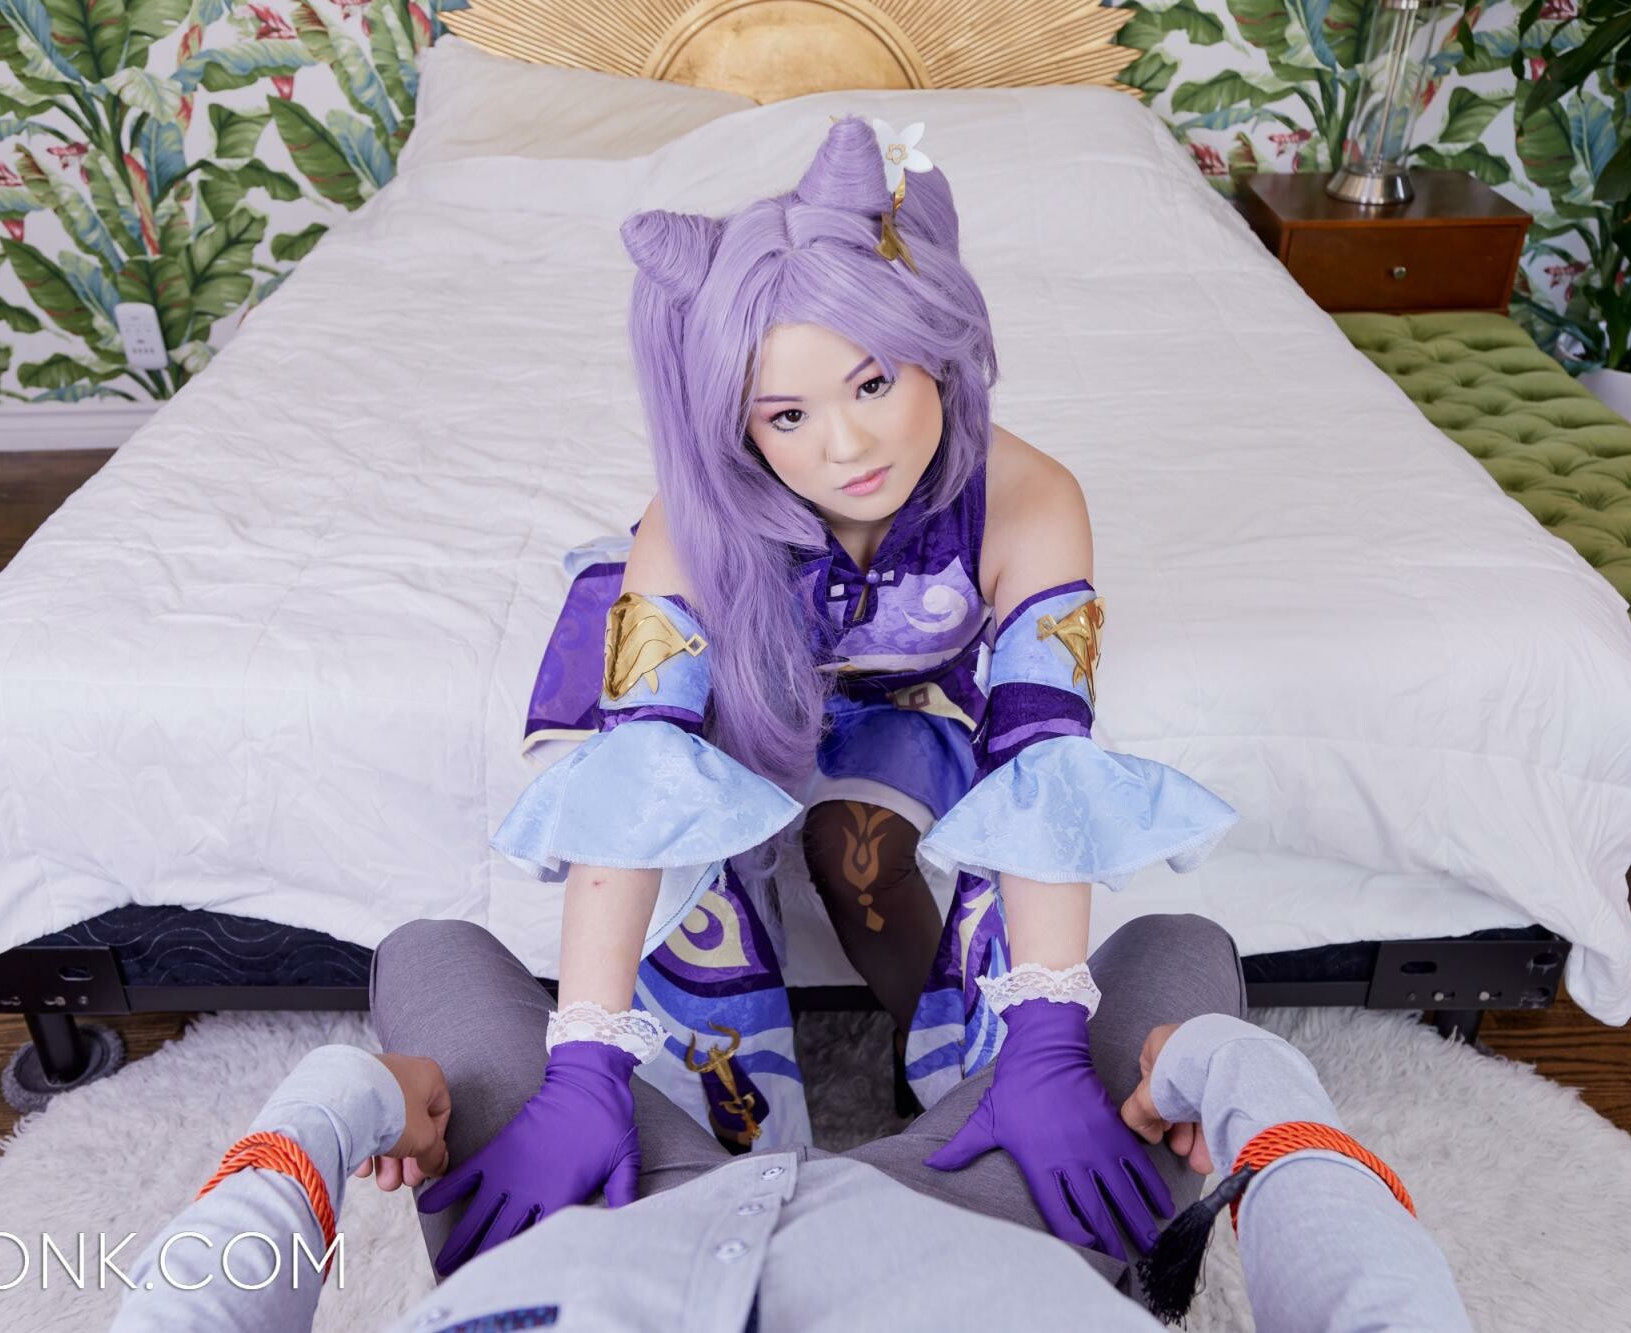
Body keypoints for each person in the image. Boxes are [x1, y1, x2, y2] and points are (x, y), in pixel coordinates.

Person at [485, 110, 1240, 1259]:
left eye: (873, 382)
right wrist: (582, 1059)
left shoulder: (1029, 500)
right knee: (699, 884)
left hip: (899, 685)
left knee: (860, 857)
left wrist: (1046, 1038)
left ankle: (943, 1067)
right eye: (787, 415)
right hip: (737, 682)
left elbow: (1045, 766)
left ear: (933, 344)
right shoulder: (687, 526)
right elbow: (636, 796)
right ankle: (725, 1141)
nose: (845, 447)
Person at [110, 914, 1471, 1332]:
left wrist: (345, 1102)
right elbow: (1381, 1307)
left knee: (429, 954)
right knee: (1178, 957)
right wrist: (1242, 1084)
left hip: (575, 1221)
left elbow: (189, 1310)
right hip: (992, 1229)